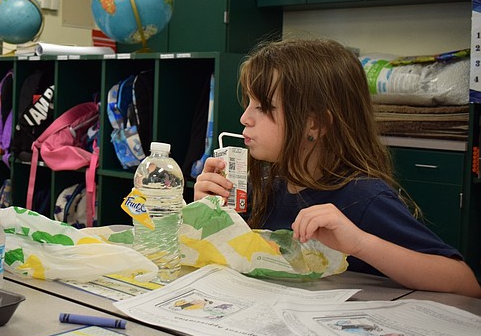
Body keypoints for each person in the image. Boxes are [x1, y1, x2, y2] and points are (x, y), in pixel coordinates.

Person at [194, 38, 481, 298]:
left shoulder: (363, 197)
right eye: (248, 103)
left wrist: (359, 243)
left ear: (315, 124)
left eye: (263, 107)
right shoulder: (264, 185)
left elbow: (464, 281)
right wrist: (207, 213)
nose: (245, 118)